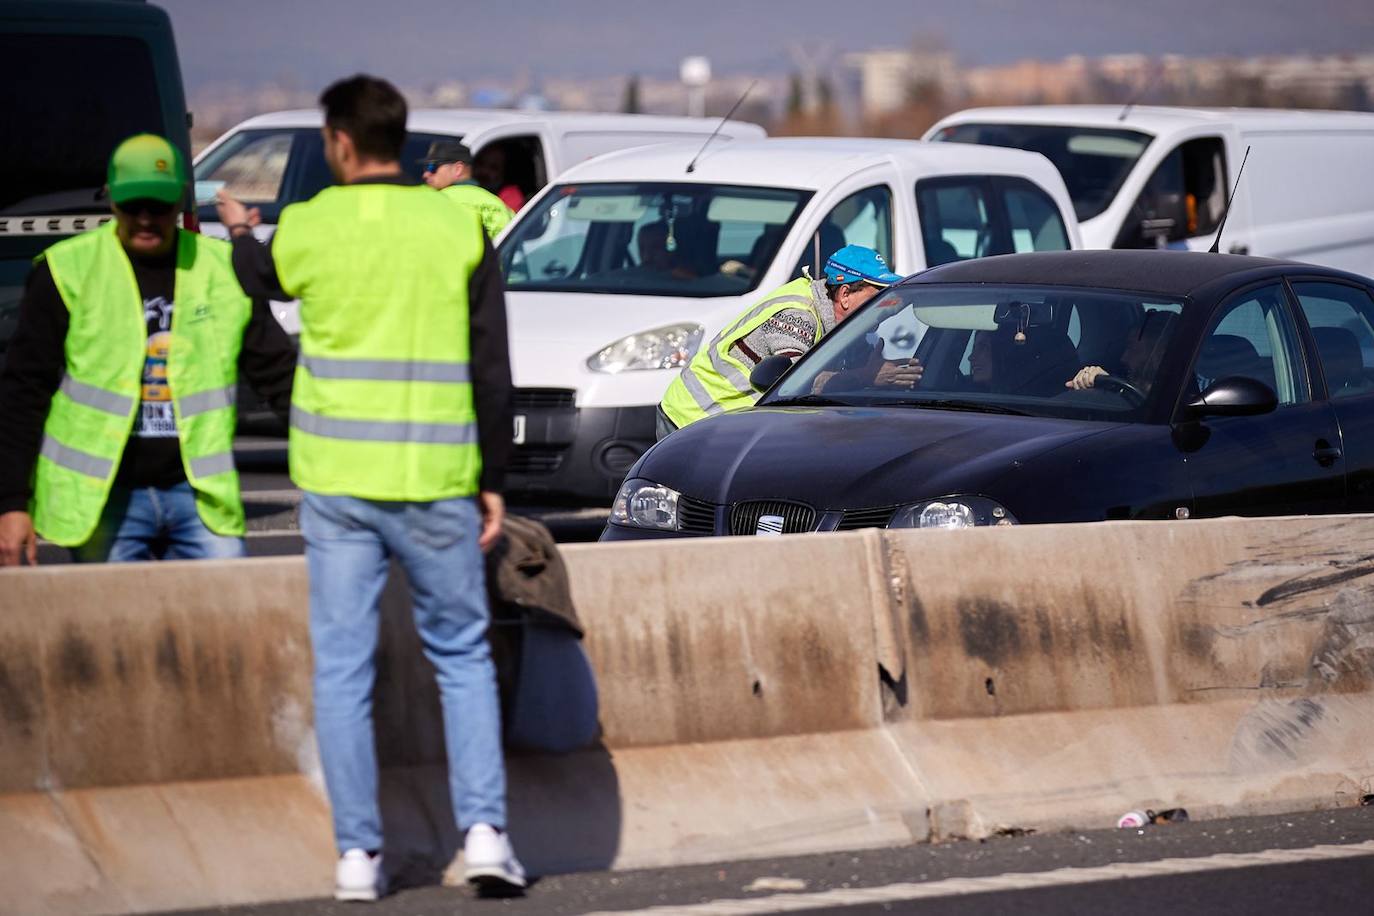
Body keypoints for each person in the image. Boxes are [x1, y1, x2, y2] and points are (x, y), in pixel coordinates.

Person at [216, 74, 525, 900]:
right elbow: (490, 364)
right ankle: (487, 836)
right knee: (461, 656)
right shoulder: (456, 227)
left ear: (340, 143)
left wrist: (240, 231)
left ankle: (359, 855)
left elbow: (260, 276)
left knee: (344, 669)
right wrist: (491, 479)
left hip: (338, 482)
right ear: (400, 138)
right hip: (436, 476)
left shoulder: (312, 226)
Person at [0, 133, 294, 567]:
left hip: (200, 499)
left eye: (157, 206)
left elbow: (280, 377)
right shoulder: (67, 271)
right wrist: (12, 502)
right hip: (105, 500)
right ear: (111, 201)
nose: (144, 219)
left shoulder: (222, 269)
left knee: (226, 623)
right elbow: (23, 391)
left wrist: (337, 465)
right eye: (131, 205)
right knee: (113, 631)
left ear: (178, 203)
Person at [657, 245, 902, 439]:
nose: (882, 307)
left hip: (727, 424)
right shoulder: (798, 315)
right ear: (845, 294)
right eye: (876, 297)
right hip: (693, 418)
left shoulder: (840, 321)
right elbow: (798, 385)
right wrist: (868, 376)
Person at [1065, 310, 1179, 397]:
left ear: (1160, 353)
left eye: (1133, 349)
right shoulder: (1123, 380)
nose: (1124, 358)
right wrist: (1103, 384)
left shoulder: (1182, 399)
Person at [421, 139, 514, 240]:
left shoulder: (439, 201)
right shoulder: (500, 204)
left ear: (458, 169)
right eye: (425, 168)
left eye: (432, 167)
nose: (426, 174)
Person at [473, 144, 526, 212]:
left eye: (493, 168)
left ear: (503, 172)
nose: (484, 171)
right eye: (481, 163)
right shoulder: (464, 188)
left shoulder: (511, 195)